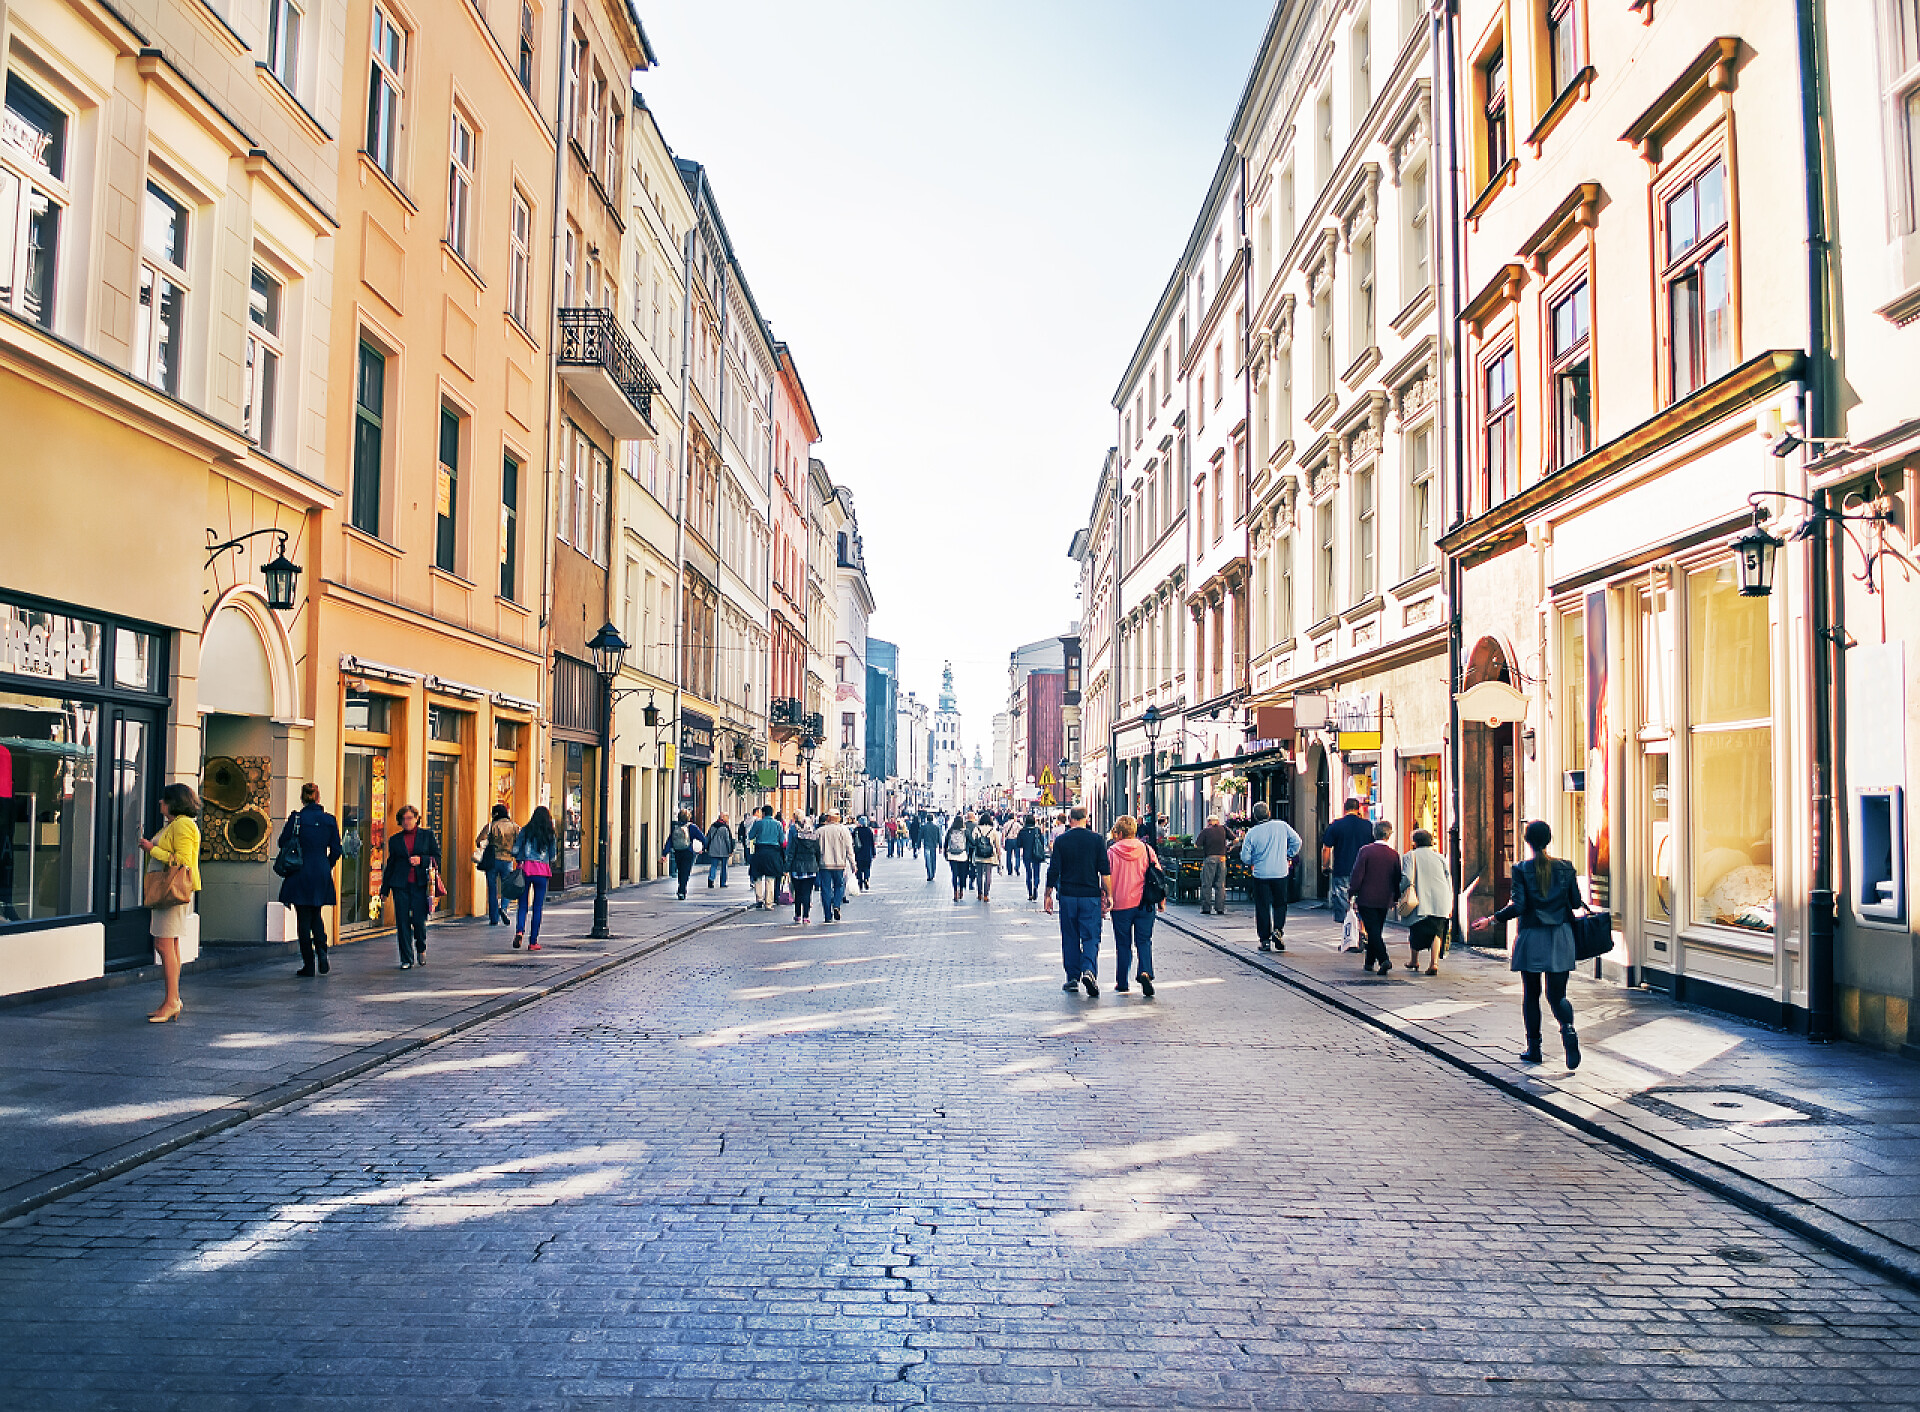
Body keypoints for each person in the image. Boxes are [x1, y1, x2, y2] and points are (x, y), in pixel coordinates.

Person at [1476, 820, 1583, 1068]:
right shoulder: (1566, 867)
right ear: (1549, 838)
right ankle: (1568, 1030)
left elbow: (1519, 906)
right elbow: (1576, 903)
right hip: (1561, 936)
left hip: (1532, 936)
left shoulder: (1522, 868)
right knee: (1558, 995)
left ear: (1527, 841)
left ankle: (1534, 1048)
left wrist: (1491, 920)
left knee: (1531, 994)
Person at [139, 782, 202, 1021]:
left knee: (164, 945)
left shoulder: (183, 825)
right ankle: (170, 1000)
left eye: (164, 799)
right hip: (167, 892)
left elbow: (183, 861)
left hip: (172, 892)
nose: (160, 803)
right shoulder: (175, 824)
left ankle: (172, 1000)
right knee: (168, 944)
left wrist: (150, 849)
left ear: (174, 803)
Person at [1044, 805, 1111, 997]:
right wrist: (1110, 895)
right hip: (1090, 896)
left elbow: (1054, 869)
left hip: (1068, 895)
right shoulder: (1097, 840)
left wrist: (1047, 894)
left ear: (1070, 820)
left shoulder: (1062, 840)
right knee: (1091, 936)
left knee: (1070, 936)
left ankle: (1072, 977)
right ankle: (1089, 969)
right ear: (1087, 819)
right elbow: (1104, 871)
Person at [279, 783, 343, 976]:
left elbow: (282, 842)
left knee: (303, 919)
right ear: (318, 797)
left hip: (300, 871)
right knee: (316, 913)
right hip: (321, 870)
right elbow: (337, 849)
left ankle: (309, 963)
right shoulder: (329, 820)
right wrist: (326, 864)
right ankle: (322, 951)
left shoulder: (297, 818)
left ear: (302, 798)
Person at [1105, 816, 1163, 997]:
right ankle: (1145, 971)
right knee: (1144, 941)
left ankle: (1122, 982)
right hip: (1144, 903)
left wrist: (1106, 899)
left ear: (1120, 832)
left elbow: (1106, 878)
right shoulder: (1146, 849)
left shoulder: (1112, 852)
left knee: (1123, 944)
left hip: (1120, 904)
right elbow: (1158, 875)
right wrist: (1161, 900)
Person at [379, 803, 439, 969]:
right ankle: (406, 959)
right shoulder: (395, 840)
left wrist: (422, 860)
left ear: (417, 818)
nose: (407, 822)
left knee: (419, 921)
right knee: (403, 921)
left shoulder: (427, 836)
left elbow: (437, 857)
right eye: (404, 819)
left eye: (410, 818)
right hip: (401, 885)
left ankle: (421, 947)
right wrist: (385, 889)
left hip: (420, 884)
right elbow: (390, 865)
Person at [1238, 802, 1302, 953]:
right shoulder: (1281, 826)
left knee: (1262, 906)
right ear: (1269, 813)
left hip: (1261, 874)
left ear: (1255, 816)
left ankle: (1265, 940)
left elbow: (1245, 857)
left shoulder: (1252, 833)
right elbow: (1297, 841)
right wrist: (1288, 854)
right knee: (1280, 904)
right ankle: (1278, 930)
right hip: (1280, 872)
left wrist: (1253, 861)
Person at [1348, 819, 1404, 975]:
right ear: (1389, 835)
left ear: (1374, 834)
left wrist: (1352, 892)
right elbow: (1396, 878)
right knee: (1376, 929)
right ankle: (1369, 962)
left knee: (1372, 930)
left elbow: (1357, 875)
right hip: (1384, 898)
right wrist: (1395, 897)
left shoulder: (1365, 851)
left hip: (1367, 897)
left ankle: (1383, 959)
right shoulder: (1394, 855)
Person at [1320, 798, 1375, 951]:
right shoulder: (1367, 826)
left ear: (1345, 809)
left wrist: (1325, 866)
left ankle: (1350, 936)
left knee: (1345, 904)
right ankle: (1363, 931)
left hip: (1343, 869)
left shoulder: (1336, 825)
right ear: (1358, 809)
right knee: (1363, 902)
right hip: (1364, 870)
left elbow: (1326, 848)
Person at [1402, 828, 1454, 975]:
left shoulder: (1410, 856)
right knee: (1437, 931)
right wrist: (1450, 901)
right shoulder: (1440, 857)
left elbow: (1406, 877)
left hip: (1420, 899)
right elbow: (1448, 878)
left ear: (1415, 842)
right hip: (1441, 898)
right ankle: (1434, 963)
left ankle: (1414, 960)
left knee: (1416, 929)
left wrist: (1400, 890)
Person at [513, 806, 559, 950]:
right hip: (541, 872)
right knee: (537, 907)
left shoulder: (526, 830)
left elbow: (515, 850)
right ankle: (533, 942)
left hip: (525, 870)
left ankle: (519, 931)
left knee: (522, 905)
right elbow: (553, 856)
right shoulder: (550, 833)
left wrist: (519, 857)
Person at [476, 803, 518, 926]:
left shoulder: (491, 826)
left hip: (492, 860)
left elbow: (479, 840)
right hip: (508, 860)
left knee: (492, 888)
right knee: (508, 887)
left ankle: (494, 918)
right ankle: (504, 908)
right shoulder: (514, 827)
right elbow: (520, 841)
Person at [815, 810, 855, 922]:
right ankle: (837, 905)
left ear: (828, 818)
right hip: (839, 864)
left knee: (826, 889)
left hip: (824, 865)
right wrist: (853, 864)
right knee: (839, 885)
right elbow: (849, 849)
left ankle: (828, 915)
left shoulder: (820, 831)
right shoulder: (844, 830)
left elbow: (815, 849)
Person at [747, 805, 787, 909]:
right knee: (770, 878)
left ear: (763, 813)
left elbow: (751, 836)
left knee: (758, 876)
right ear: (772, 813)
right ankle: (768, 902)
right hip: (773, 853)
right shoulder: (778, 824)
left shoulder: (758, 823)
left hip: (760, 851)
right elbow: (782, 840)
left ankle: (759, 899)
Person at [787, 814, 822, 923]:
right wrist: (818, 865)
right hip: (811, 868)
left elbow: (791, 853)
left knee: (798, 892)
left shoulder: (796, 837)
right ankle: (806, 916)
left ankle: (797, 915)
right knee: (807, 893)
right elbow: (818, 853)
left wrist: (787, 867)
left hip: (797, 868)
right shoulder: (815, 838)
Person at [662, 810, 704, 900]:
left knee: (680, 871)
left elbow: (670, 840)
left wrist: (665, 853)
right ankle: (682, 890)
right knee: (686, 872)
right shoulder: (692, 827)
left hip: (677, 852)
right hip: (688, 852)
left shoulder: (675, 827)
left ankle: (681, 887)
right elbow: (702, 838)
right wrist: (704, 848)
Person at [1195, 814, 1231, 916]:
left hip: (1210, 858)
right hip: (1222, 859)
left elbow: (1197, 844)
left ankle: (1206, 908)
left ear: (1209, 821)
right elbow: (1235, 839)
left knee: (1207, 883)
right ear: (1217, 821)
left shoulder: (1206, 831)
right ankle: (1220, 908)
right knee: (1220, 884)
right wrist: (1228, 848)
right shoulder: (1224, 829)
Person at [968, 812, 1002, 901]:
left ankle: (979, 893)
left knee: (979, 874)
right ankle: (986, 895)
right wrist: (999, 857)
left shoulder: (976, 829)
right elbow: (998, 845)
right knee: (988, 875)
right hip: (989, 855)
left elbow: (973, 841)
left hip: (979, 855)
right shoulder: (993, 831)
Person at [1018, 814, 1048, 901]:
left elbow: (1019, 844)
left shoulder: (1022, 831)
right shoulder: (1037, 830)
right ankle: (1036, 886)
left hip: (1026, 855)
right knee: (1036, 872)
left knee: (1028, 873)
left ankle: (1030, 893)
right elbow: (1042, 841)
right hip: (1036, 854)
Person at [944, 814, 972, 902]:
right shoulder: (965, 831)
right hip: (963, 855)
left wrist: (945, 853)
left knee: (954, 874)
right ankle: (961, 891)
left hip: (952, 855)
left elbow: (946, 843)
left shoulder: (950, 831)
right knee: (962, 874)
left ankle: (955, 892)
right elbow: (972, 841)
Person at [705, 812, 735, 890]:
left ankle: (711, 880)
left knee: (714, 866)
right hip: (723, 850)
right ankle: (723, 882)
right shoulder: (725, 828)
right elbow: (728, 840)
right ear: (723, 818)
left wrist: (706, 847)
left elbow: (708, 838)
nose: (728, 819)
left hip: (713, 849)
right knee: (724, 867)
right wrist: (730, 850)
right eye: (727, 817)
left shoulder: (712, 826)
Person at [852, 815, 877, 890]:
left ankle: (860, 882)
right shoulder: (869, 830)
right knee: (867, 868)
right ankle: (866, 878)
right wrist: (874, 853)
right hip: (867, 853)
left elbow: (852, 840)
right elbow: (872, 843)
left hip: (858, 853)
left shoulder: (856, 830)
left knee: (859, 868)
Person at [919, 813, 944, 882]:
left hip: (926, 845)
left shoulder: (924, 827)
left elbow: (920, 836)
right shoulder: (936, 827)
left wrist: (918, 845)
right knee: (933, 860)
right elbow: (939, 837)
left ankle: (929, 874)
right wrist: (940, 847)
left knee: (927, 861)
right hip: (933, 846)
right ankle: (933, 873)